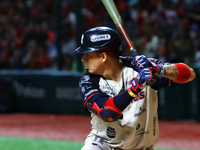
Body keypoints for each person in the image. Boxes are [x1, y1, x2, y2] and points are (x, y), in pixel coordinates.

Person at [74, 26, 196, 150]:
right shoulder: (88, 81)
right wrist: (136, 87)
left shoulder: (141, 68)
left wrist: (158, 69)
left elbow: (190, 74)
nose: (83, 59)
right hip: (104, 145)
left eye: (88, 54)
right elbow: (108, 113)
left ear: (103, 57)